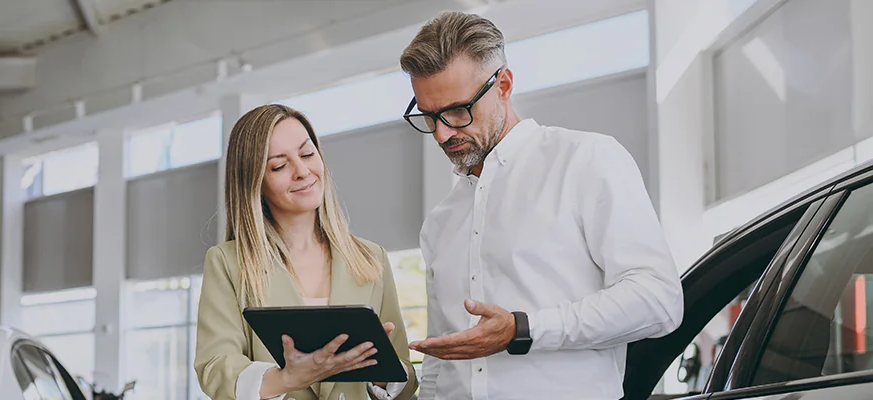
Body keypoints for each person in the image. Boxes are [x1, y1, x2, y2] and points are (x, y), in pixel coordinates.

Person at [399, 11, 684, 399]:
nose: (442, 133)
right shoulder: (440, 222)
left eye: (457, 111)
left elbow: (658, 300)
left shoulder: (585, 160)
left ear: (503, 85)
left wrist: (523, 329)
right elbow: (439, 365)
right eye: (430, 116)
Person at [194, 104, 418, 400]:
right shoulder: (228, 262)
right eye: (279, 166)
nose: (302, 172)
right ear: (254, 182)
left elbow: (405, 381)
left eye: (307, 154)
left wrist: (383, 374)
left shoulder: (370, 257)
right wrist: (285, 379)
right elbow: (215, 367)